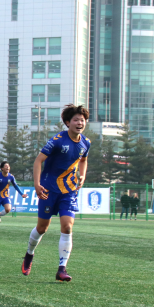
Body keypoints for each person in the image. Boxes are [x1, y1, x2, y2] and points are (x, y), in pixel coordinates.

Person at [21, 104, 91, 282]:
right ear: (68, 122)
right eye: (76, 120)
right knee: (42, 228)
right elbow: (38, 161)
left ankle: (62, 269)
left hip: (68, 191)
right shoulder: (57, 140)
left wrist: (82, 175)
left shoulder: (85, 142)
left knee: (67, 226)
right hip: (49, 189)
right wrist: (36, 184)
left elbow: (83, 160)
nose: (79, 123)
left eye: (82, 120)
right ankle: (29, 254)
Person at [0, 161, 28, 232]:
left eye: (8, 166)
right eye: (6, 166)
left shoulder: (11, 176)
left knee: (8, 209)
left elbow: (15, 186)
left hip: (5, 196)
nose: (8, 167)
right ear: (2, 168)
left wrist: (22, 194)